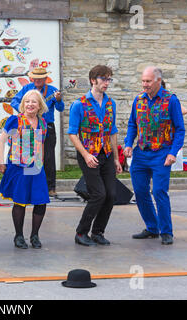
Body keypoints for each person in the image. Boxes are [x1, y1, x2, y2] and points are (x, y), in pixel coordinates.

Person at [124, 66, 185, 245]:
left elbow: (180, 130)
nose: (144, 84)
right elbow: (132, 125)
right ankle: (152, 228)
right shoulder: (139, 100)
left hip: (162, 153)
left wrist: (173, 153)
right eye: (143, 81)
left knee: (159, 191)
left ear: (158, 81)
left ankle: (166, 231)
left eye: (148, 81)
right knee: (140, 191)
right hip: (141, 153)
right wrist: (128, 144)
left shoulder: (171, 100)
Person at [68, 65, 122, 246]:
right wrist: (85, 155)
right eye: (104, 79)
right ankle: (81, 233)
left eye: (109, 79)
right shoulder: (79, 104)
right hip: (88, 154)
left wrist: (116, 158)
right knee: (98, 194)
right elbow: (72, 133)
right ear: (93, 80)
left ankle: (98, 232)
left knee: (111, 194)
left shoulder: (110, 104)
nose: (107, 82)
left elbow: (112, 132)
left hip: (106, 153)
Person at [0, 90, 50, 249]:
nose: (30, 104)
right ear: (23, 104)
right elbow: (2, 141)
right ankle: (19, 236)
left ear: (40, 105)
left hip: (36, 167)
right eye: (27, 101)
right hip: (18, 166)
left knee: (41, 201)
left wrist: (40, 164)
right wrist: (0, 162)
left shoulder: (42, 123)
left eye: (34, 102)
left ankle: (35, 235)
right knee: (20, 201)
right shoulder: (15, 120)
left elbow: (41, 144)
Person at [11, 67, 64, 198]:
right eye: (35, 77)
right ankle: (29, 186)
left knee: (48, 158)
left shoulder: (52, 90)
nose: (37, 80)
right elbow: (14, 101)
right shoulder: (27, 88)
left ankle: (50, 187)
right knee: (27, 156)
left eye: (40, 78)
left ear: (45, 78)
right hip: (28, 126)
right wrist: (25, 111)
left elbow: (60, 108)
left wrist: (58, 100)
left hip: (47, 127)